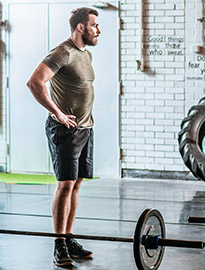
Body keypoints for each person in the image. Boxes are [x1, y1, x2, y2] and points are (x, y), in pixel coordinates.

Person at [26, 7, 101, 267]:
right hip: (66, 129)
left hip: (85, 128)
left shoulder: (86, 54)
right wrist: (57, 113)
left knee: (77, 183)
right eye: (94, 26)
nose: (97, 30)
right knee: (65, 184)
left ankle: (69, 239)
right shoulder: (63, 52)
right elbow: (35, 82)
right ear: (80, 27)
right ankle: (58, 244)